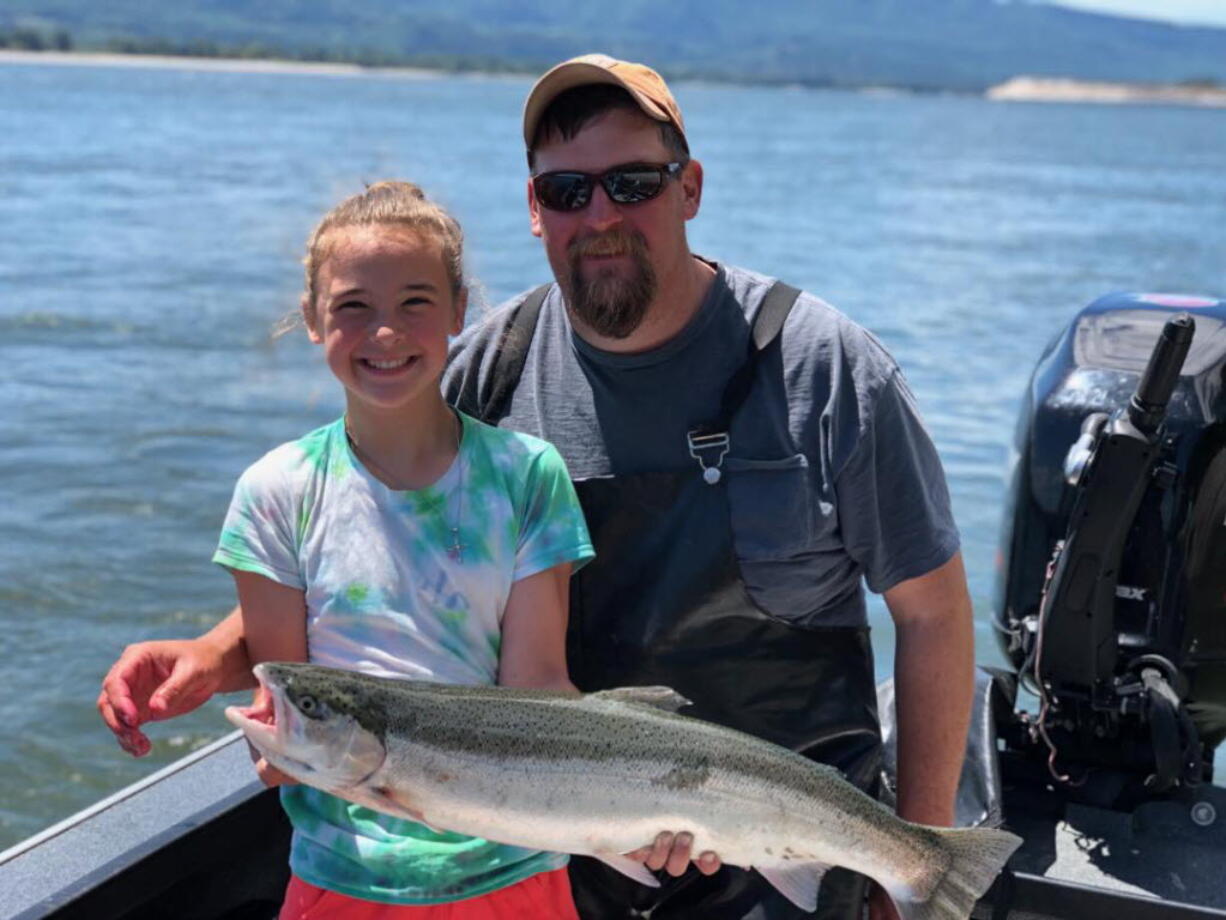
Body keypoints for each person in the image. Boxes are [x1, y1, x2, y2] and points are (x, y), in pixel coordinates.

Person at [100, 56, 975, 920]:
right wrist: (218, 656)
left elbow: (933, 615)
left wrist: (915, 863)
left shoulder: (827, 370)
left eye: (633, 183)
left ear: (691, 188)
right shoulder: (490, 367)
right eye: (568, 191)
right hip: (562, 850)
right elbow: (378, 536)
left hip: (786, 842)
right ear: (534, 209)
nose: (600, 216)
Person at [206, 179, 595, 918]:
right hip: (342, 880)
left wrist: (639, 817)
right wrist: (277, 745)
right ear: (315, 321)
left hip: (515, 874)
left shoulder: (527, 475)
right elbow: (281, 699)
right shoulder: (276, 491)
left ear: (457, 311)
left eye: (415, 302)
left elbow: (539, 691)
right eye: (354, 307)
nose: (385, 332)